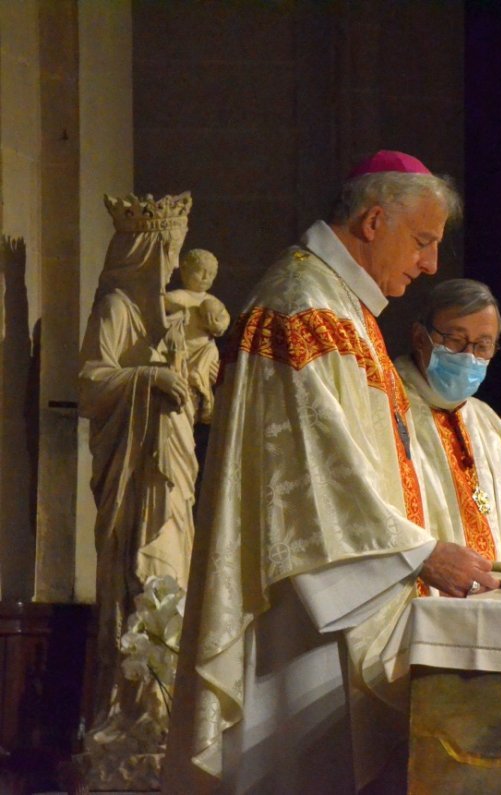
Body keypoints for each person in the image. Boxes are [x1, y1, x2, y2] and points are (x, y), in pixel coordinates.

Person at [164, 151, 499, 794]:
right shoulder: (300, 305)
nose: (430, 263)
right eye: (423, 242)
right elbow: (310, 469)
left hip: (352, 584)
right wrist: (419, 553)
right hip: (303, 602)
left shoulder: (346, 309)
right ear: (374, 221)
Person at [79, 192, 196, 789]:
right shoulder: (117, 307)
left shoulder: (168, 317)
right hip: (135, 475)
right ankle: (135, 712)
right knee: (142, 577)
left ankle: (166, 711)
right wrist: (149, 377)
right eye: (169, 247)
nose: (173, 261)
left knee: (172, 576)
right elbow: (92, 383)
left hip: (171, 473)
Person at [395, 279, 501, 569]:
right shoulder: (387, 406)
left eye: (483, 345)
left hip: (491, 608)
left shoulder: (488, 426)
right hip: (423, 605)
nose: (469, 356)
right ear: (420, 337)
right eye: (455, 340)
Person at [164, 248, 230, 423]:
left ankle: (205, 399)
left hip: (204, 352)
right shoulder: (178, 297)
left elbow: (223, 325)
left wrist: (215, 325)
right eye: (201, 271)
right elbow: (160, 309)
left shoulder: (213, 302)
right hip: (183, 352)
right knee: (184, 405)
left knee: (210, 352)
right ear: (185, 270)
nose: (205, 277)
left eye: (211, 274)